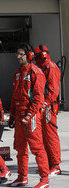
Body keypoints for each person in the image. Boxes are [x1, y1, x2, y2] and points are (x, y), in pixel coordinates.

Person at [7, 43, 50, 188]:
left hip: (31, 117)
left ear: (29, 55)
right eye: (17, 54)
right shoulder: (18, 73)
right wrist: (12, 115)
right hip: (19, 116)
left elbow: (39, 99)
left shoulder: (36, 73)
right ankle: (22, 177)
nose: (18, 57)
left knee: (37, 148)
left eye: (21, 54)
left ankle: (44, 179)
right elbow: (14, 96)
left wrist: (29, 115)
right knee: (20, 148)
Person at [34, 45, 62, 176]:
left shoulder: (51, 68)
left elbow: (53, 92)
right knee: (43, 137)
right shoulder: (42, 68)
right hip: (43, 106)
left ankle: (55, 165)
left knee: (50, 136)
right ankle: (50, 163)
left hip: (48, 107)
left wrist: (44, 104)